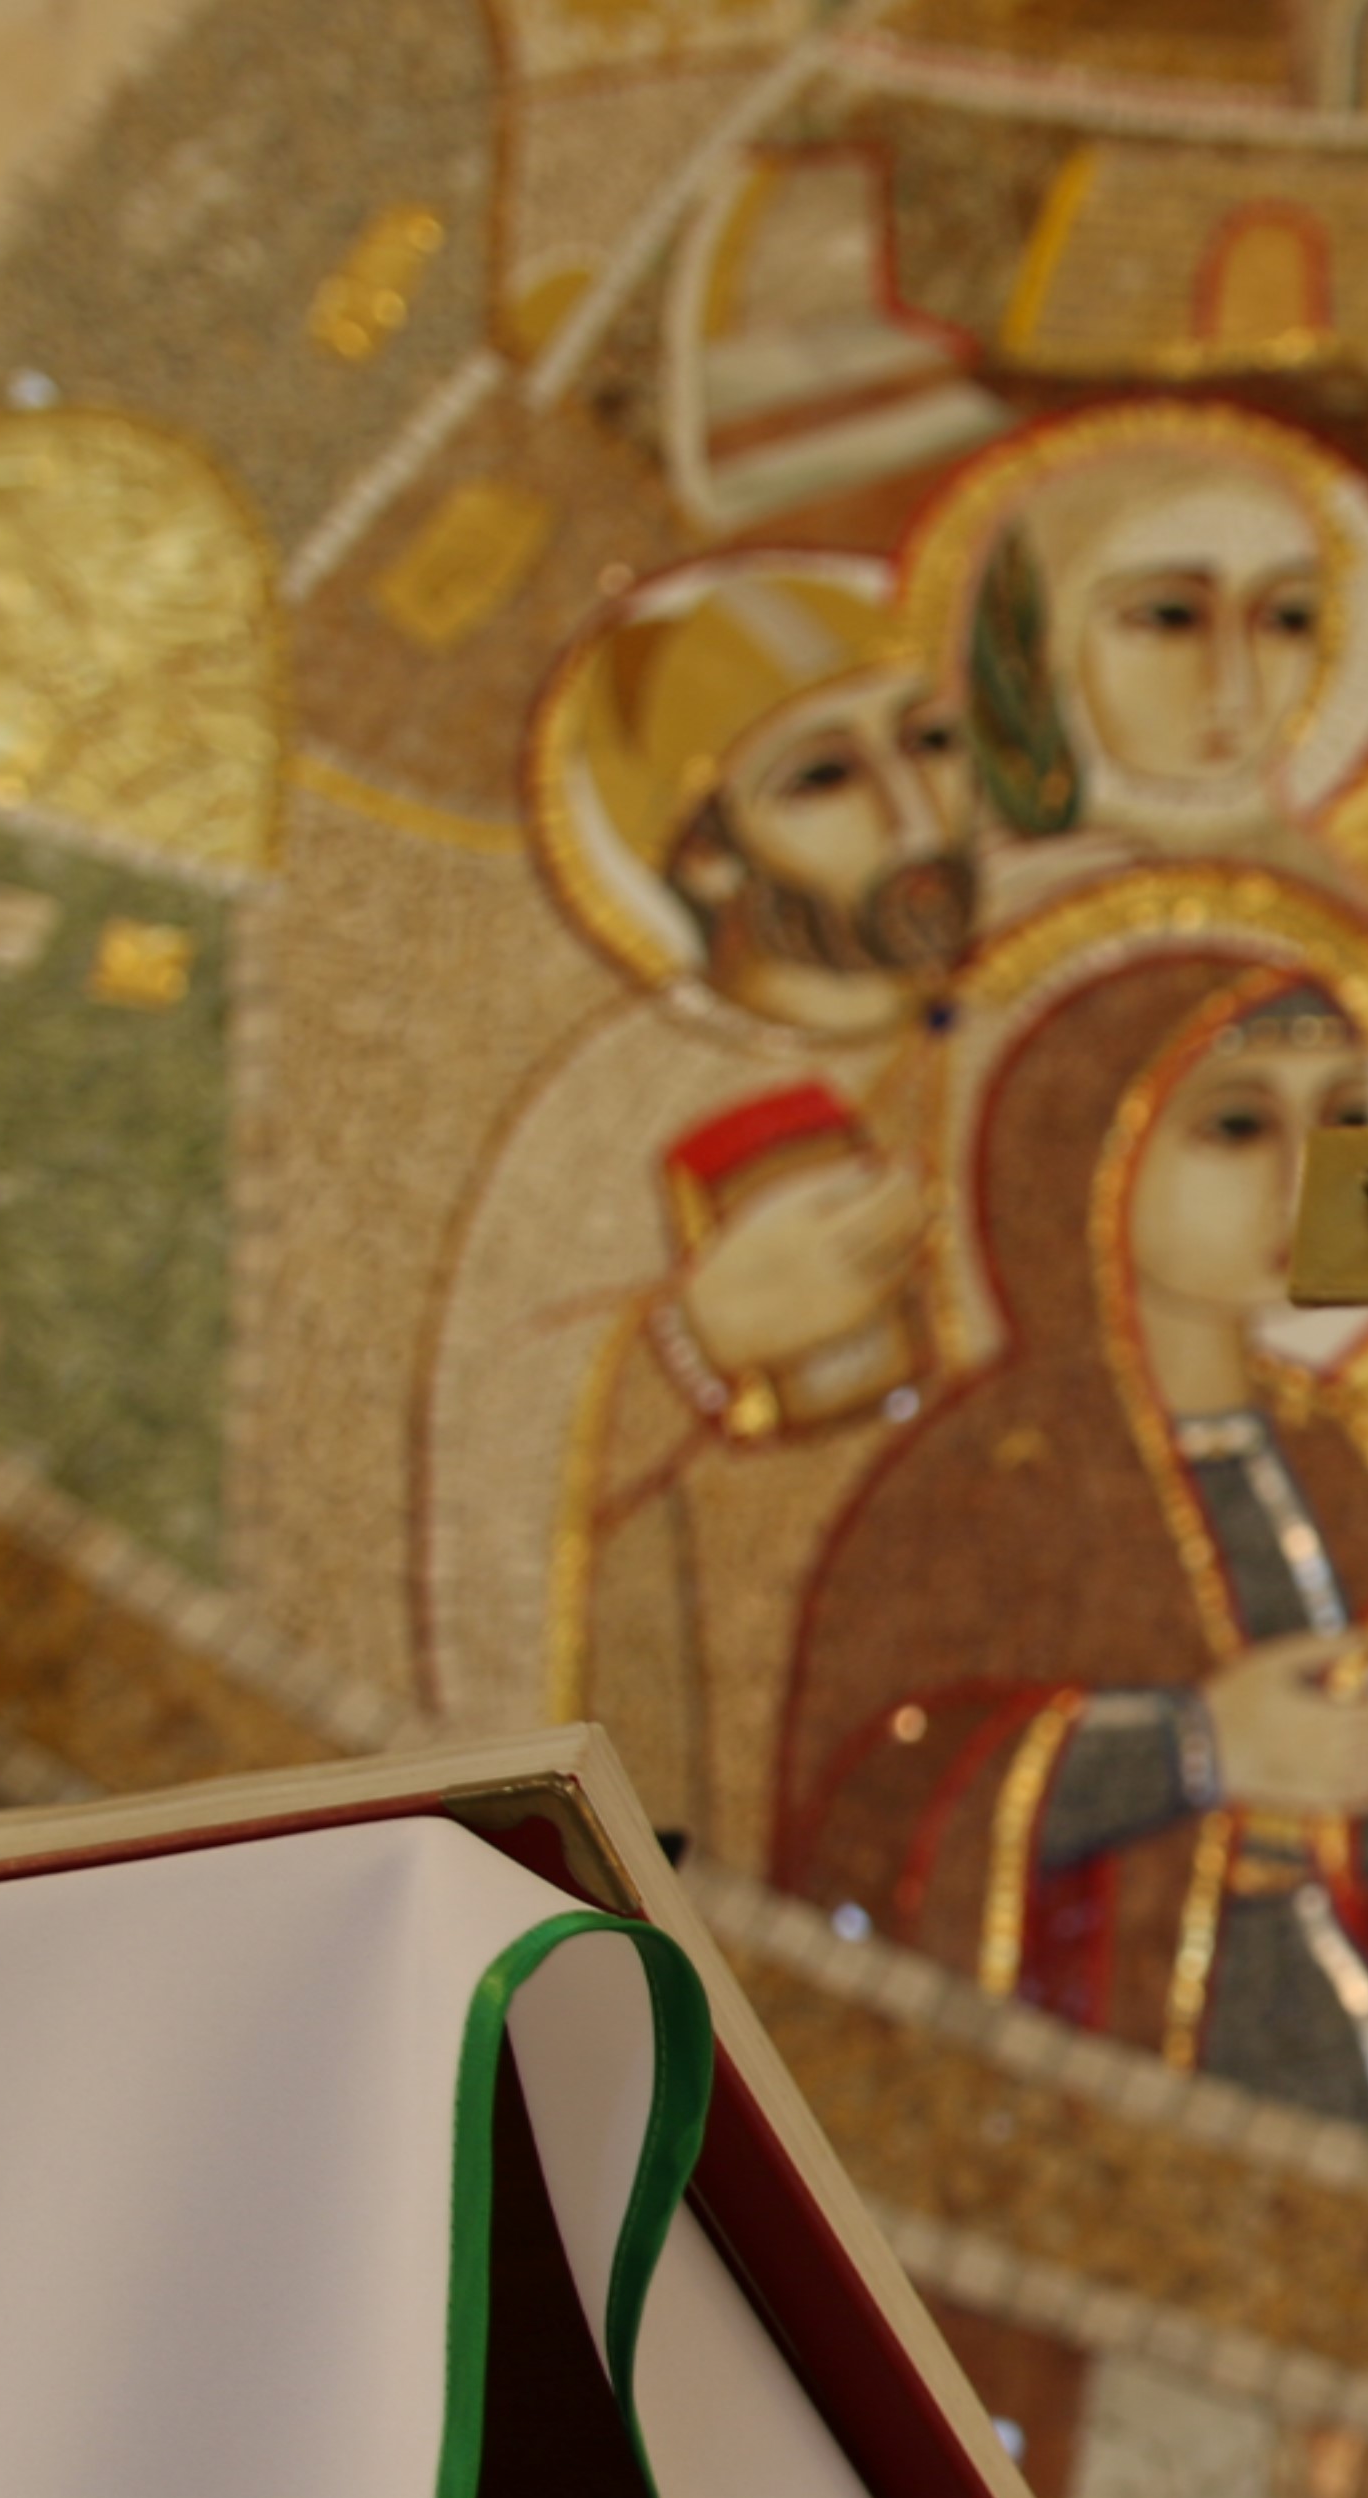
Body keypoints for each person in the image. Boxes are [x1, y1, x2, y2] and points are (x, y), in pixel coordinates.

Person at [775, 879, 1368, 2176]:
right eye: (1239, 1126)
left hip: (1339, 2094)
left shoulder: (1332, 1460)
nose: (1315, 1175)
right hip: (1086, 2135)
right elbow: (872, 1811)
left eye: (1350, 1121)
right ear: (1089, 1152)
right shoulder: (991, 1476)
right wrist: (1192, 1751)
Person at [418, 554, 993, 1861]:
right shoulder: (614, 1104)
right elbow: (487, 1462)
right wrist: (694, 1345)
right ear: (709, 857)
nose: (917, 818)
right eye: (826, 779)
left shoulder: (1027, 1043)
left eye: (930, 744)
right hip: (735, 1756)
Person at [896, 401, 1368, 921]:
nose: (1234, 687)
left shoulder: (1328, 888)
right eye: (1170, 618)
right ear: (1046, 640)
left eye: (1290, 620)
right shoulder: (976, 896)